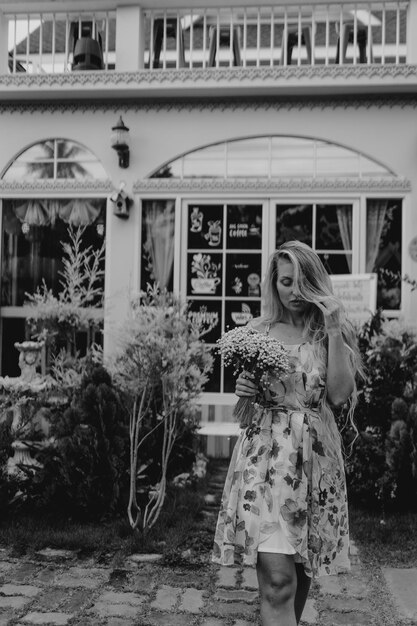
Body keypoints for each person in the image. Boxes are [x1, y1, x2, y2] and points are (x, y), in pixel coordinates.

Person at [212, 240, 363, 626]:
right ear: (273, 284)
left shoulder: (326, 333)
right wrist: (244, 390)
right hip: (265, 463)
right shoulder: (257, 332)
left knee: (298, 574)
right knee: (278, 582)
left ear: (314, 282)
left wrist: (332, 332)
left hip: (315, 464)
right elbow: (244, 409)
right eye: (284, 282)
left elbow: (340, 395)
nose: (293, 291)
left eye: (301, 281)